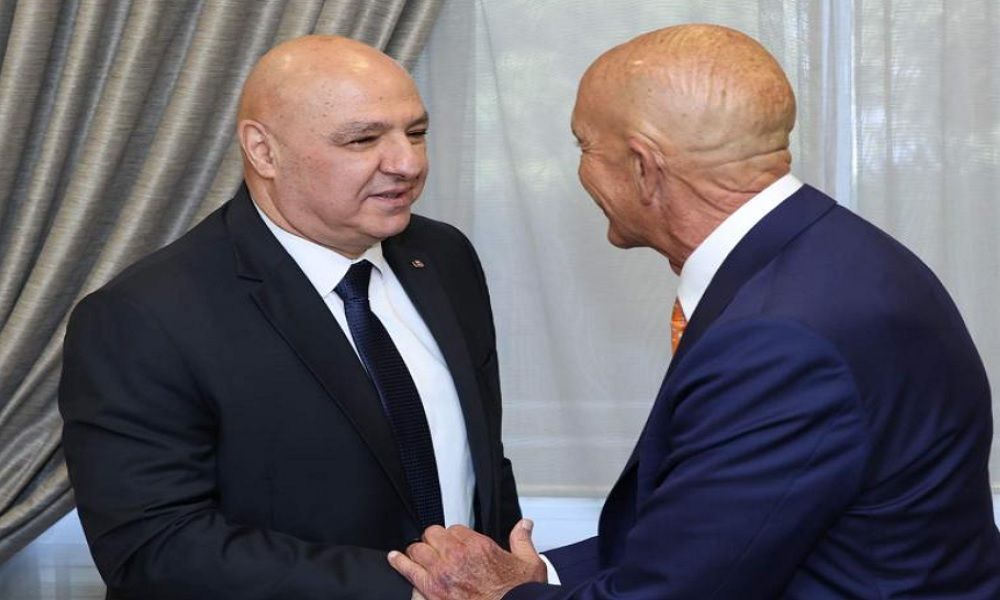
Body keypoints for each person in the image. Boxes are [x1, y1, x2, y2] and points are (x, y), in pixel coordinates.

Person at [388, 23, 1000, 599]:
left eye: (584, 146)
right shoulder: (839, 254)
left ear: (642, 166)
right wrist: (544, 574)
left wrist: (501, 594)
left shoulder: (778, 338)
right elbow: (719, 529)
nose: (580, 169)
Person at [59, 35, 521, 599]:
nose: (408, 163)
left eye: (417, 132)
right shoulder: (142, 317)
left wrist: (511, 582)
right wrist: (420, 588)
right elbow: (155, 548)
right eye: (363, 139)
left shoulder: (444, 257)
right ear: (263, 151)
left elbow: (480, 461)